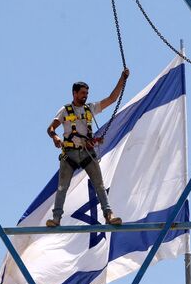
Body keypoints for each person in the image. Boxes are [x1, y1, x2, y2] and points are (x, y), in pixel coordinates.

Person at [46, 69, 130, 227]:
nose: (85, 96)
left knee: (99, 184)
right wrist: (55, 137)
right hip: (69, 154)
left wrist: (122, 79)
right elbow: (51, 128)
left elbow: (111, 99)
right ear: (74, 93)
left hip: (86, 153)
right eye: (83, 93)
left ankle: (108, 214)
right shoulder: (65, 111)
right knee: (62, 186)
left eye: (87, 93)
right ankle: (56, 218)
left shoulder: (89, 108)